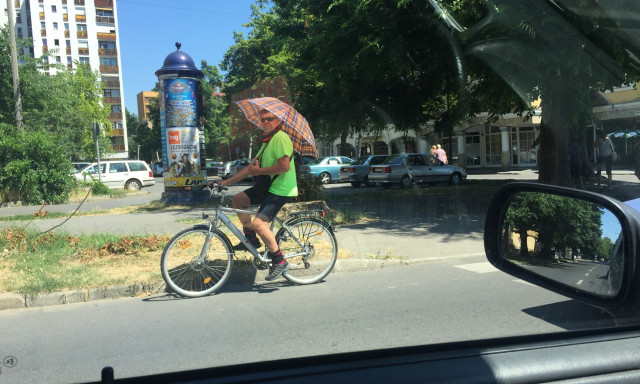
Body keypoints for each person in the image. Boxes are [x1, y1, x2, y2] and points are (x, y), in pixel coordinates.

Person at [214, 109, 298, 281]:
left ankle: (280, 261)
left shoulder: (281, 138)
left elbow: (284, 167)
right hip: (267, 186)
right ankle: (251, 240)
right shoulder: (267, 142)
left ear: (278, 121)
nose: (265, 122)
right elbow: (248, 170)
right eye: (262, 120)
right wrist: (225, 182)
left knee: (259, 223)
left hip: (281, 188)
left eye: (269, 119)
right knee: (238, 200)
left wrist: (258, 170)